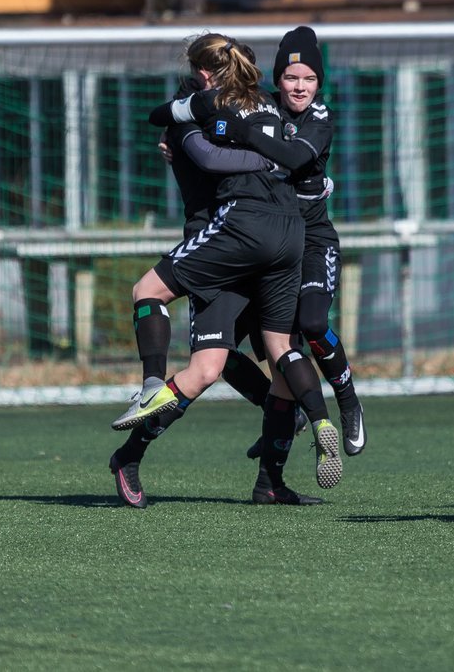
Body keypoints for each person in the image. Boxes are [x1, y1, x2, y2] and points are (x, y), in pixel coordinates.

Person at [109, 32, 342, 505]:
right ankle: (130, 453)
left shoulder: (262, 106)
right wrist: (274, 160)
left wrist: (299, 170)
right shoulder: (195, 105)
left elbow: (294, 150)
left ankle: (271, 481)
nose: (297, 86)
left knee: (269, 358)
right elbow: (208, 156)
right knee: (211, 366)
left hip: (263, 236)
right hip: (223, 236)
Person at [217, 27, 366, 458]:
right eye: (291, 77)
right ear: (277, 79)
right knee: (216, 348)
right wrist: (176, 140)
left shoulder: (320, 117)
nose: (299, 87)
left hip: (312, 240)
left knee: (313, 324)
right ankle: (283, 410)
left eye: (309, 79)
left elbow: (298, 156)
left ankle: (348, 402)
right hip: (264, 242)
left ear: (319, 83)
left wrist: (244, 136)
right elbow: (211, 118)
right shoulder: (259, 106)